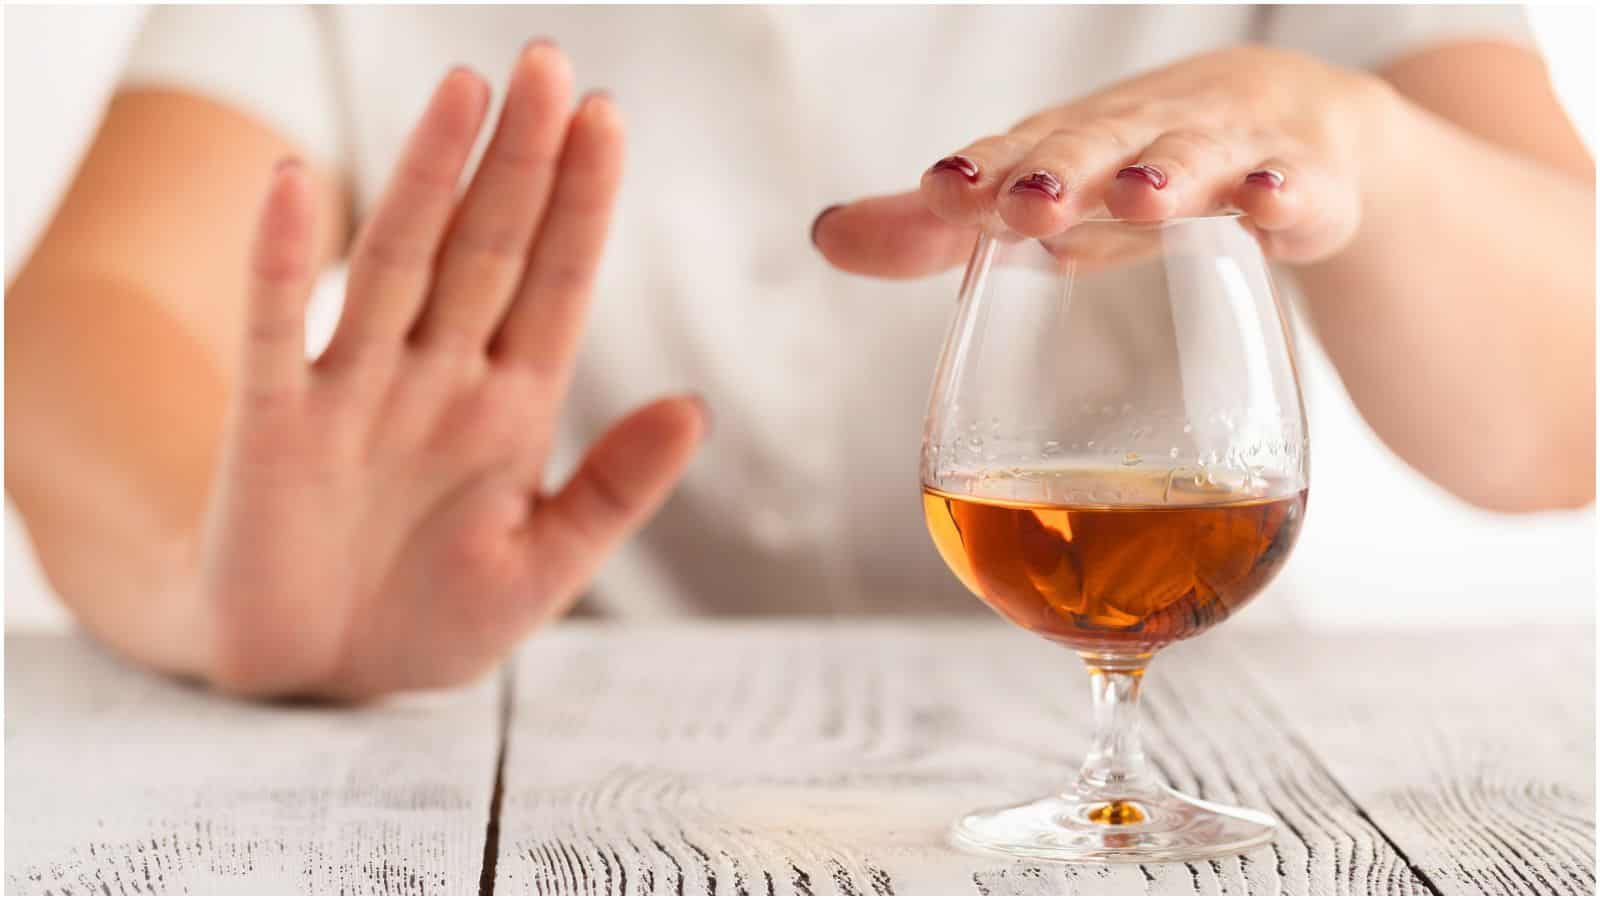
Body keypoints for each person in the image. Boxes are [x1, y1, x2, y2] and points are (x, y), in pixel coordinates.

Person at [5, 5, 1592, 699]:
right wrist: (212, 575)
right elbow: (86, 323)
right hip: (571, 785)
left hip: (1197, 767)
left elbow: (1560, 418)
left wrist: (1360, 144)